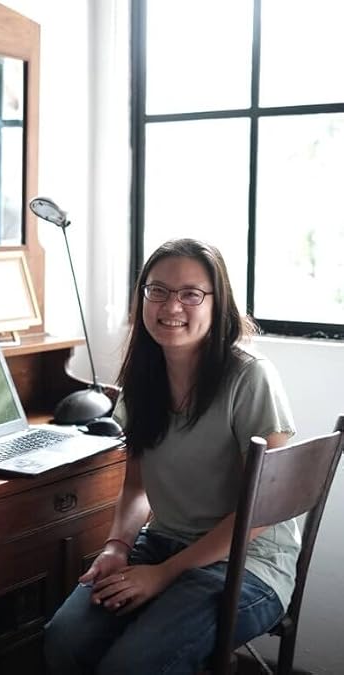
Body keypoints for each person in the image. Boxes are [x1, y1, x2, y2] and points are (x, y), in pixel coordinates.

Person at [45, 238, 300, 674]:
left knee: (132, 664)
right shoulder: (142, 378)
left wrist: (164, 574)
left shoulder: (249, 376)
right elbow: (136, 488)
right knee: (64, 639)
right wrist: (117, 547)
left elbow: (262, 509)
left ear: (218, 304)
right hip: (164, 544)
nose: (171, 306)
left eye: (190, 294)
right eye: (157, 290)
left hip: (248, 561)